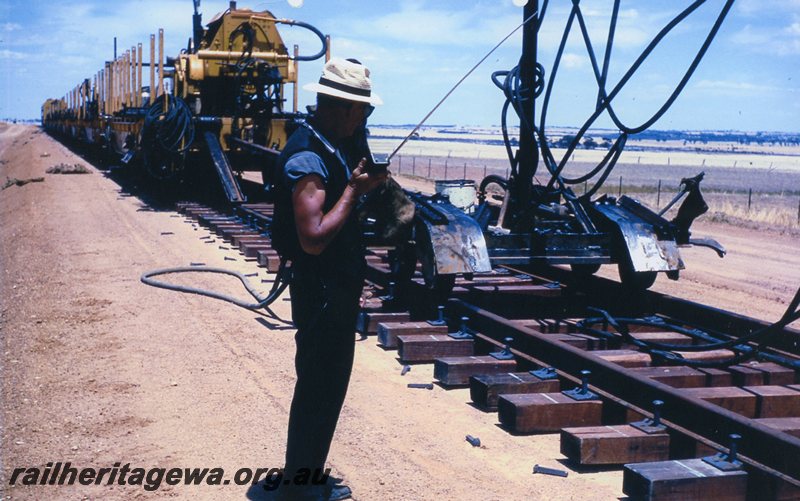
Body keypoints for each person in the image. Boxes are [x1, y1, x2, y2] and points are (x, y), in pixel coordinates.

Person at [271, 57, 387, 501]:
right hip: (321, 293)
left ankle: (306, 479)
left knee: (326, 388)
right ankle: (299, 489)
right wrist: (355, 191)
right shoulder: (307, 157)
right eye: (363, 112)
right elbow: (314, 238)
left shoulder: (331, 144)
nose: (365, 119)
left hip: (332, 292)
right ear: (341, 107)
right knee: (319, 388)